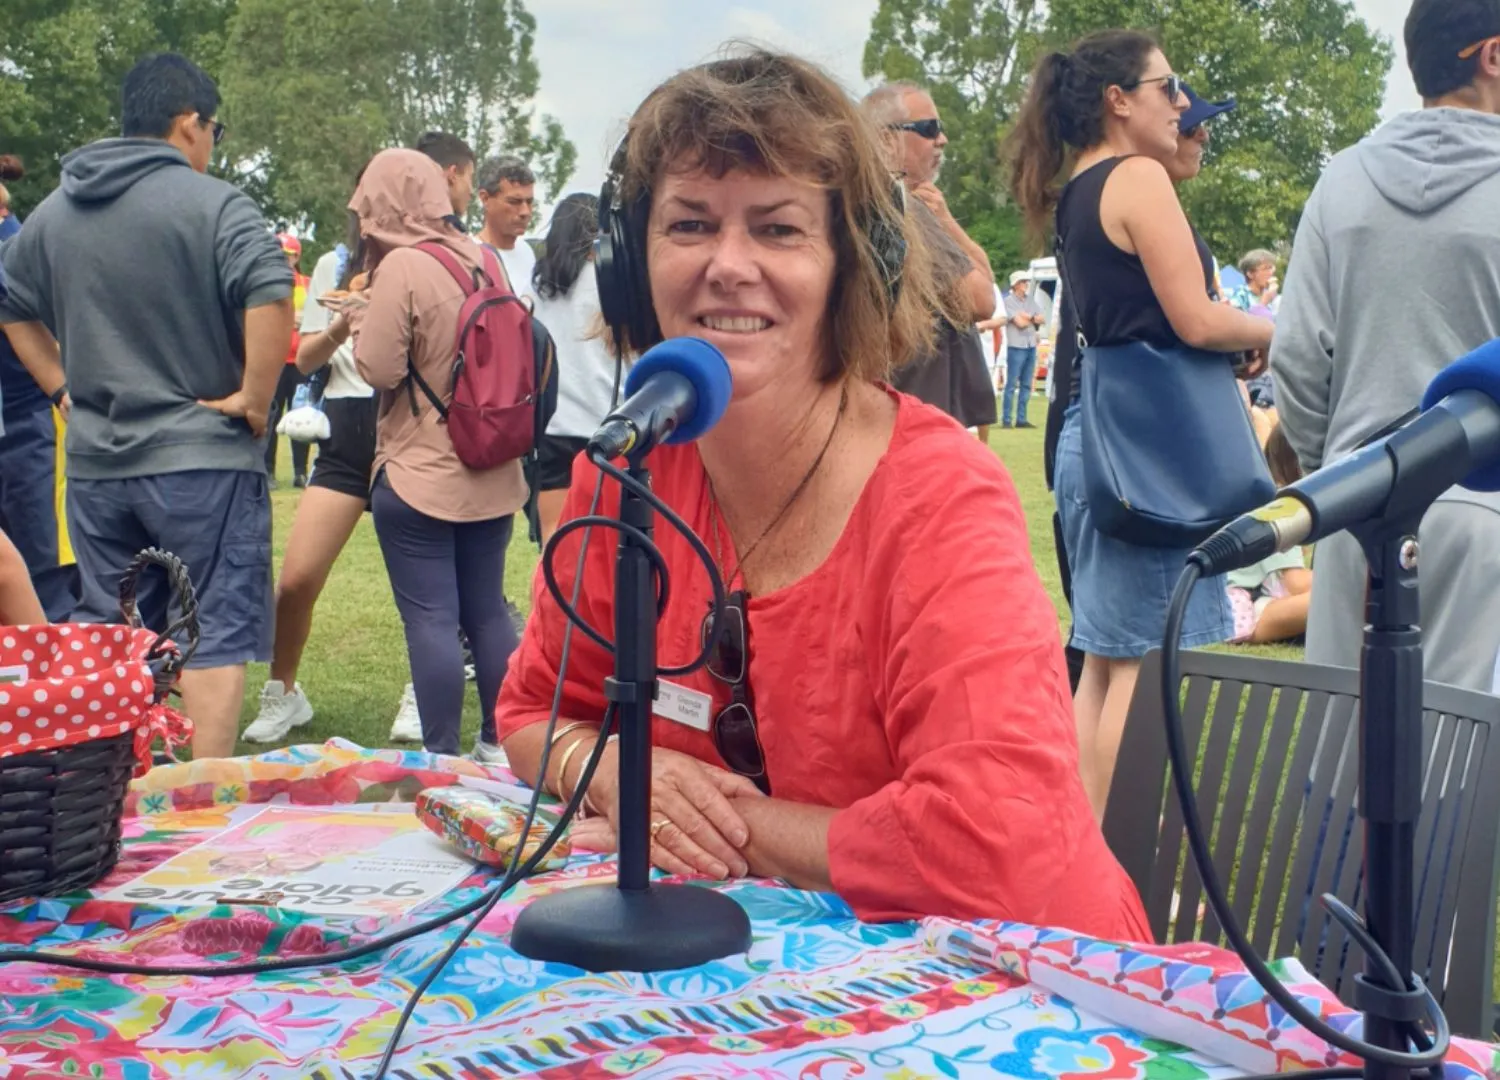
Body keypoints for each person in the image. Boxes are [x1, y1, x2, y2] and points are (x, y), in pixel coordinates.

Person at [496, 49, 1149, 938]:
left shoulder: (940, 496)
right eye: (689, 224)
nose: (729, 264)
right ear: (628, 262)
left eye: (778, 229)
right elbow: (533, 713)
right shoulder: (627, 477)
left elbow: (996, 841)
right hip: (748, 980)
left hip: (1019, 976)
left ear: (854, 264)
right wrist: (615, 775)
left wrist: (731, 826)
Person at [1007, 35, 1273, 817]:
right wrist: (1278, 330)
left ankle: (1085, 856)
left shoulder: (1080, 189)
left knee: (1106, 662)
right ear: (1117, 100)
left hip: (1102, 443)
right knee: (1144, 668)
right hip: (1149, 451)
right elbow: (1196, 319)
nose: (1183, 103)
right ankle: (1118, 860)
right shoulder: (1136, 177)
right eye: (1169, 86)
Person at [0, 53, 293, 759]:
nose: (213, 144)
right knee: (211, 632)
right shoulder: (216, 204)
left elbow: (10, 303)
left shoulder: (53, 213)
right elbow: (271, 291)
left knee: (112, 634)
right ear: (189, 123)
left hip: (98, 466)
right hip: (203, 458)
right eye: (215, 130)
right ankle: (201, 798)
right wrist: (255, 398)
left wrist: (60, 387)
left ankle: (112, 792)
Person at [1272, 0, 1500, 694]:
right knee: (1467, 753)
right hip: (1487, 513)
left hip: (1356, 496)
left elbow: (1296, 357)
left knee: (1342, 743)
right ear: (1493, 55)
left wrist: (1342, 478)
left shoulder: (1342, 178)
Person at [245, 133, 478, 747]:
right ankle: (283, 692)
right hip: (348, 432)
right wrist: (347, 320)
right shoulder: (335, 265)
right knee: (297, 579)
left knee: (428, 593)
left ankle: (420, 693)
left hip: (411, 429)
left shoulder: (434, 261)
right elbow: (305, 359)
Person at [344, 148, 527, 758]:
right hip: (493, 465)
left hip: (419, 471)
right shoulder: (487, 260)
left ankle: (441, 758)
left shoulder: (401, 267)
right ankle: (500, 742)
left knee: (431, 620)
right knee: (489, 612)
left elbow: (380, 369)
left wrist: (360, 320)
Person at [862, 82, 998, 441]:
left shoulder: (869, 204)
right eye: (929, 129)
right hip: (921, 420)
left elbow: (984, 276)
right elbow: (982, 300)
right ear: (886, 139)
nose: (942, 140)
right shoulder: (900, 210)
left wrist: (946, 219)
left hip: (900, 416)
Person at [530, 193, 621, 545]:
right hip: (606, 425)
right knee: (606, 540)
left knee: (554, 540)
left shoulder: (539, 286)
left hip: (552, 426)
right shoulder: (612, 283)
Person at [1226, 422, 1311, 645]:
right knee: (1334, 598)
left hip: (1256, 600)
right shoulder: (1282, 505)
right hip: (1244, 607)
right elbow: (1295, 582)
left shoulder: (1266, 495)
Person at [264, 233, 312, 488]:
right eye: (279, 255)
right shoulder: (265, 284)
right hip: (274, 359)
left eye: (288, 255)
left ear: (296, 257)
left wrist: (292, 319)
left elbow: (314, 317)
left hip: (301, 361)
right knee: (269, 417)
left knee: (301, 419)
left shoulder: (307, 284)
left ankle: (300, 472)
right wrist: (295, 319)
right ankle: (268, 471)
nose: (284, 260)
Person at [476, 156, 537, 300]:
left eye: (529, 202)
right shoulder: (471, 256)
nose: (525, 212)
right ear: (485, 199)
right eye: (514, 202)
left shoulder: (526, 251)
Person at [998, 271, 1044, 428]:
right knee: (1011, 384)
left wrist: (1028, 317)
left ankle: (1021, 419)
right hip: (1016, 346)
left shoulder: (1030, 300)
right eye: (1024, 282)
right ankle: (1006, 419)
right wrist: (1032, 319)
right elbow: (1020, 323)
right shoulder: (1008, 302)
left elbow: (1042, 319)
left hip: (1030, 345)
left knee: (1026, 384)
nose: (1026, 284)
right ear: (1016, 284)